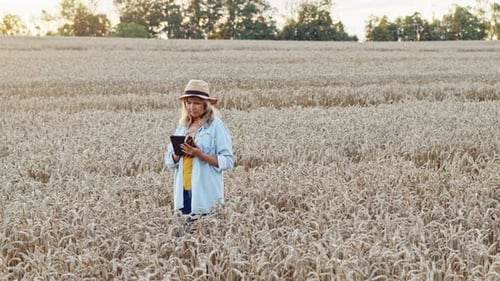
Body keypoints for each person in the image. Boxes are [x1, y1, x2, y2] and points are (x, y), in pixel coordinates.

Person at [165, 79, 234, 218]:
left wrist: (200, 154)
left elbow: (228, 161)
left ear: (206, 105)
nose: (192, 107)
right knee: (183, 236)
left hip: (206, 195)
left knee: (206, 235)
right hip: (183, 192)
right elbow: (169, 161)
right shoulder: (183, 126)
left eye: (196, 103)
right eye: (188, 103)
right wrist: (178, 154)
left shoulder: (216, 126)